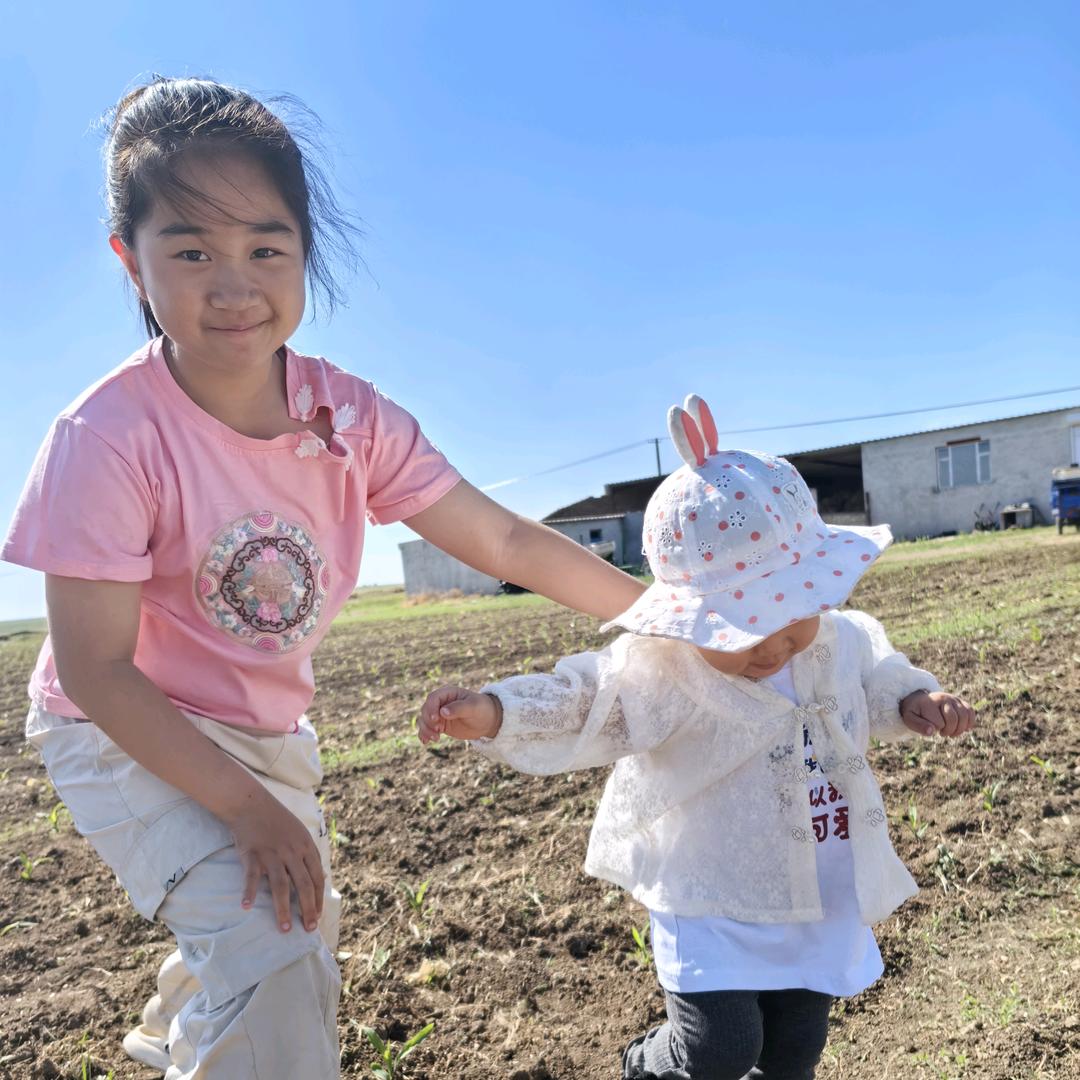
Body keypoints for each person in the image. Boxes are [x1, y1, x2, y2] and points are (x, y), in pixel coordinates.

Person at [1, 76, 645, 1080]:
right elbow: (96, 671)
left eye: (266, 247)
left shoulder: (347, 421)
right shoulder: (107, 437)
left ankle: (193, 1010)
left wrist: (669, 618)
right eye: (191, 251)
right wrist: (250, 811)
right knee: (280, 949)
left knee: (290, 922)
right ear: (131, 262)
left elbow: (506, 543)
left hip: (264, 731)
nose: (233, 286)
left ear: (305, 252)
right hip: (119, 732)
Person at [418, 394, 976, 1080]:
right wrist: (497, 711)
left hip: (817, 888)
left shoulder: (841, 639)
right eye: (741, 629)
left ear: (816, 589)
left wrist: (916, 700)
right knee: (718, 1050)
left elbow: (878, 680)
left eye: (788, 617)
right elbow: (586, 701)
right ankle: (645, 1065)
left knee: (794, 1050)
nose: (771, 647)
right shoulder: (665, 670)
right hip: (710, 888)